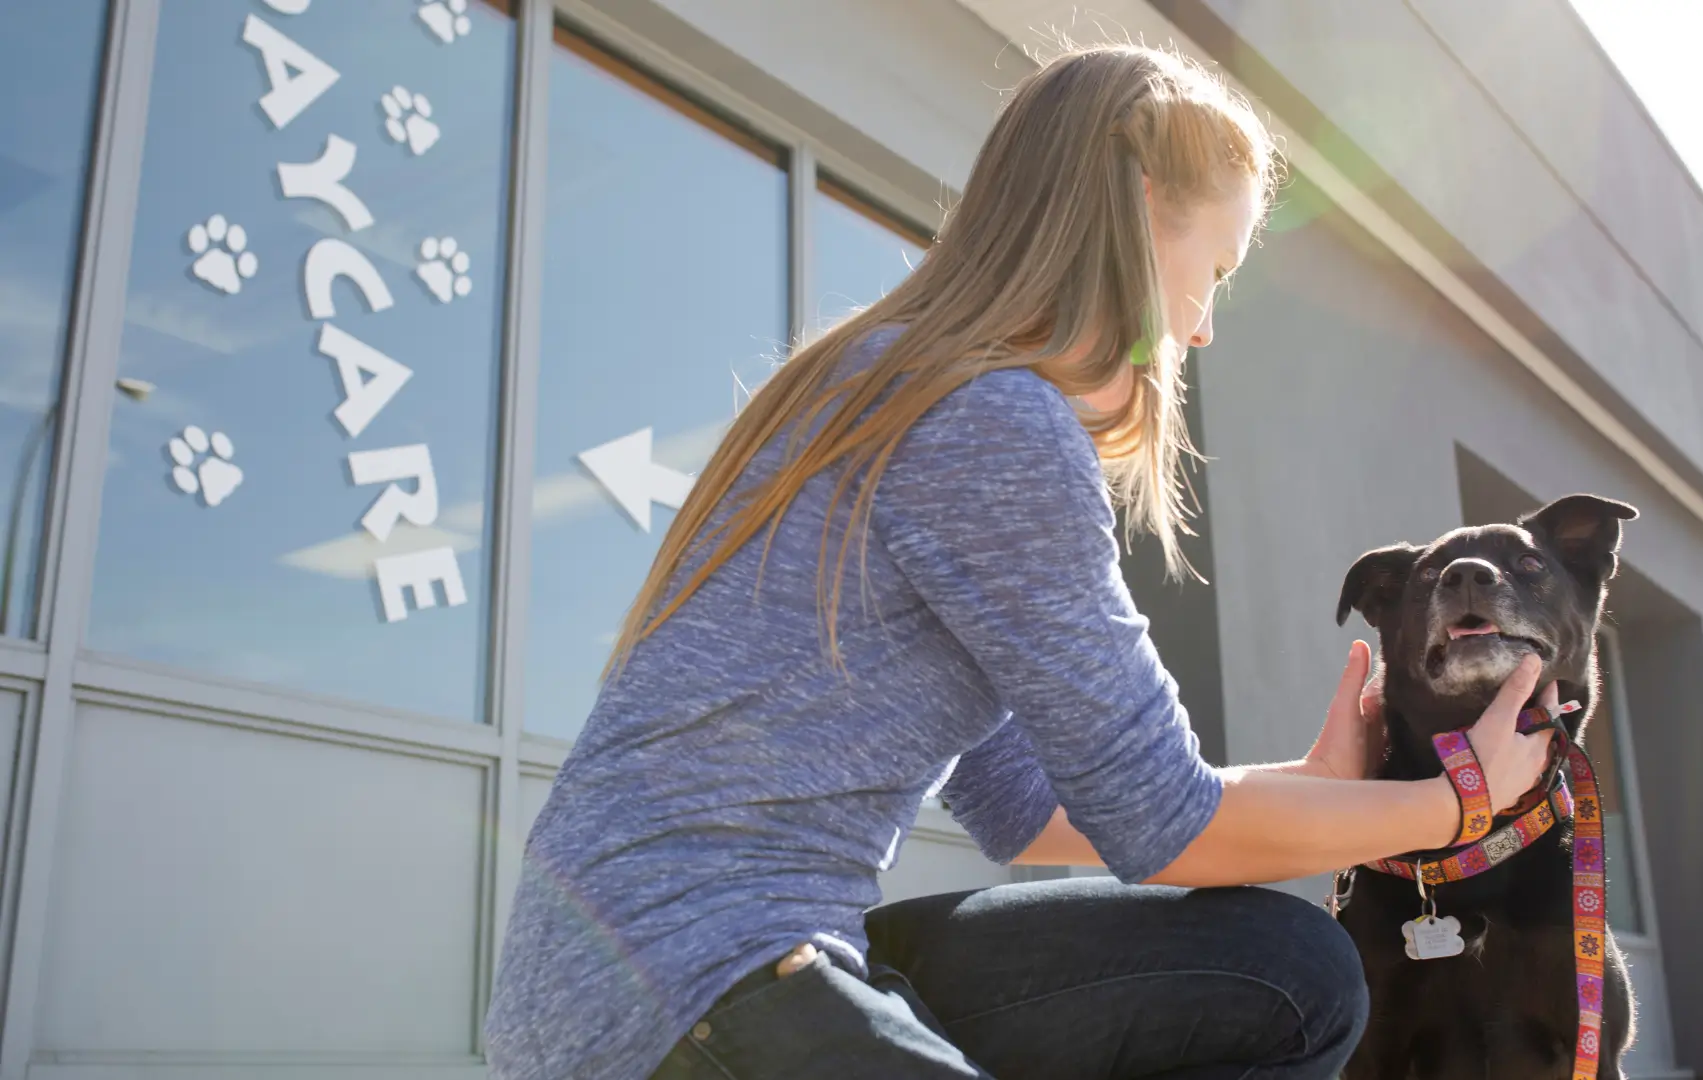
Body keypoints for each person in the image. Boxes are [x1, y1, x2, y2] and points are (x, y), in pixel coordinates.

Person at [484, 43, 1556, 1080]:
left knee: (1290, 972)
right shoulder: (995, 419)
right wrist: (1459, 805)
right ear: (1141, 213)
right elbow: (1160, 825)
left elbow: (1025, 804)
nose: (1207, 325)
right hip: (692, 988)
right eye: (1214, 270)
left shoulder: (885, 381)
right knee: (1296, 972)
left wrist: (1317, 788)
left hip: (653, 972)